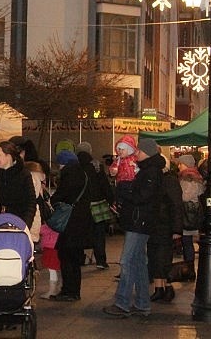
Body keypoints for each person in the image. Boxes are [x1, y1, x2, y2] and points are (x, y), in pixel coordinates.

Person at [102, 136, 164, 318]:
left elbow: (142, 196)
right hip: (139, 221)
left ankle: (122, 302)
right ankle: (143, 303)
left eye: (139, 150)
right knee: (138, 263)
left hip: (140, 222)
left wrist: (124, 191)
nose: (136, 152)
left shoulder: (151, 172)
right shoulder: (148, 170)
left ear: (147, 152)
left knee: (127, 261)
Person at [49, 150, 94, 301]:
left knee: (66, 256)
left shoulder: (68, 175)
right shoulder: (84, 174)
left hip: (69, 222)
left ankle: (68, 291)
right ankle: (75, 290)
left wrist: (53, 200)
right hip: (82, 221)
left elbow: (60, 196)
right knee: (75, 257)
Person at [0, 140, 36, 228]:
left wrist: (25, 225)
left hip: (18, 225)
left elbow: (30, 202)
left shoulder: (24, 175)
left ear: (8, 156)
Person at [147, 155, 182, 304]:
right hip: (155, 225)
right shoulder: (157, 181)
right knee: (155, 258)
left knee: (163, 259)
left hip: (165, 226)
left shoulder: (169, 181)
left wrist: (176, 229)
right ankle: (159, 288)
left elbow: (176, 205)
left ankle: (166, 287)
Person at [76, 141, 114, 269]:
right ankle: (101, 261)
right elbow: (104, 185)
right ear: (90, 151)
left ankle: (80, 258)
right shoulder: (97, 166)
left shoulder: (75, 166)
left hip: (81, 206)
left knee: (80, 232)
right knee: (99, 234)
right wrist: (111, 200)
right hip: (97, 205)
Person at [176, 154, 205, 280]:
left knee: (187, 242)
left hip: (188, 213)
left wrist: (176, 196)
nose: (178, 166)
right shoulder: (195, 176)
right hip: (191, 213)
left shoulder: (188, 178)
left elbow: (186, 196)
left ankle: (190, 270)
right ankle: (189, 269)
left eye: (181, 164)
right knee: (187, 242)